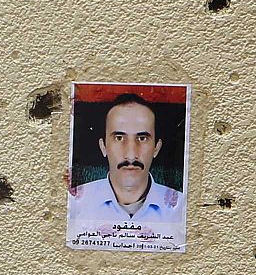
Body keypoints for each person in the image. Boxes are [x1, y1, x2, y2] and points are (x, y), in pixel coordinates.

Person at [68, 92, 186, 233]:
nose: (131, 155)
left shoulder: (182, 206)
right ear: (103, 147)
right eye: (119, 138)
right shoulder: (74, 204)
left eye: (142, 138)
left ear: (156, 148)